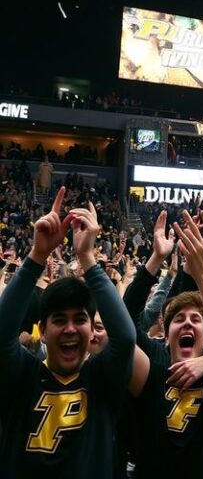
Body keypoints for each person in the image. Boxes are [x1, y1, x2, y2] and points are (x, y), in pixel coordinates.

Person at [0, 187, 136, 477]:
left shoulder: (101, 379)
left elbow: (125, 337)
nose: (71, 328)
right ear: (43, 331)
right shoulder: (21, 374)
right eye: (59, 319)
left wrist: (87, 257)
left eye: (80, 319)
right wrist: (37, 255)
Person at [127, 210, 203, 479]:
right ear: (165, 332)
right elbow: (124, 326)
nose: (186, 323)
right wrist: (157, 259)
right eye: (178, 319)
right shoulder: (152, 366)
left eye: (196, 319)